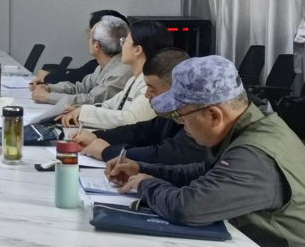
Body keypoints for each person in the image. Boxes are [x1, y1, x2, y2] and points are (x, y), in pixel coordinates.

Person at [105, 55, 305, 247]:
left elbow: (187, 208)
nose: (180, 124)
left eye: (180, 115)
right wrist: (144, 168)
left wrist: (145, 184)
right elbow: (207, 172)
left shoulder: (255, 156)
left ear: (214, 115)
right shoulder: (252, 124)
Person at [71, 48, 205, 165]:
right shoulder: (171, 116)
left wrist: (108, 152)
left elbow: (165, 155)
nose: (147, 95)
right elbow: (142, 131)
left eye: (152, 89)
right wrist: (96, 137)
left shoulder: (197, 119)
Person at [60, 20, 171, 130]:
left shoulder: (152, 85)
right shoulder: (133, 80)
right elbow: (108, 106)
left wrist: (85, 113)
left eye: (124, 41)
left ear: (137, 50)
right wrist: (79, 110)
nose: (121, 47)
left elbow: (131, 119)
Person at [31, 15, 132, 106]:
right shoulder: (103, 66)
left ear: (96, 45)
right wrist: (49, 88)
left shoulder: (121, 73)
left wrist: (49, 97)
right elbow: (79, 88)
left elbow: (91, 100)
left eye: (89, 34)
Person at [36, 9, 128, 83]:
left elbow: (90, 97)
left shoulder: (110, 69)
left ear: (97, 44)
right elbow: (79, 87)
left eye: (91, 32)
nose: (88, 38)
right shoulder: (99, 67)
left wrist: (47, 80)